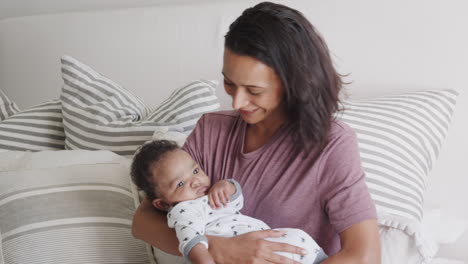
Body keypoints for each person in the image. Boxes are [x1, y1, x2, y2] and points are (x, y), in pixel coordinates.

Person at [132, 2, 381, 264]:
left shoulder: (333, 144)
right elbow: (144, 221)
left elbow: (365, 255)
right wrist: (220, 249)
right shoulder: (210, 129)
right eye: (229, 83)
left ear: (293, 84)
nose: (237, 103)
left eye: (254, 91)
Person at [131, 140, 328, 264]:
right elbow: (191, 242)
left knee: (297, 239)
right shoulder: (183, 210)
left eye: (196, 171)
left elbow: (236, 200)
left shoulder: (210, 196)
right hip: (240, 253)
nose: (196, 181)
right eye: (181, 183)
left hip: (265, 242)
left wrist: (226, 186)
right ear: (163, 204)